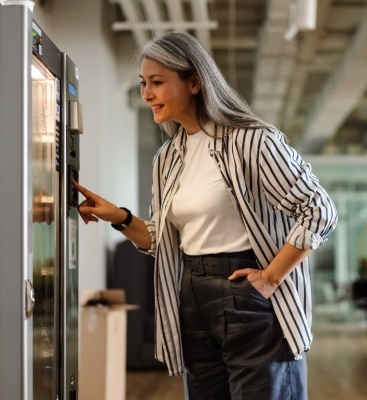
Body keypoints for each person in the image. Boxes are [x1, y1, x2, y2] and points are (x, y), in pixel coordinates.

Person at [72, 32, 338, 400]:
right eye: (143, 84)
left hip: (249, 294)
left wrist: (270, 278)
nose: (146, 94)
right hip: (191, 294)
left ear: (195, 81)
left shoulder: (252, 141)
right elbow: (163, 241)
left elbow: (318, 209)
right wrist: (118, 216)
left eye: (157, 82)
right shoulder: (167, 159)